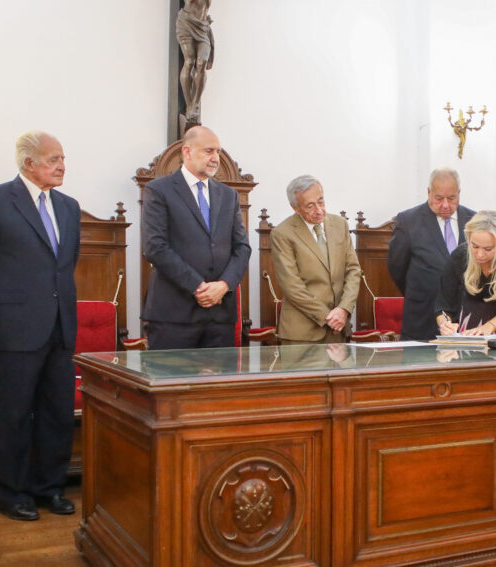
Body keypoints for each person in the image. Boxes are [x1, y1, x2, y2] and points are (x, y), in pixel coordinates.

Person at [0, 131, 81, 521]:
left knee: (57, 414)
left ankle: (49, 487)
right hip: (14, 329)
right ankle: (12, 493)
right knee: (14, 416)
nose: (62, 165)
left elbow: (65, 266)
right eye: (53, 159)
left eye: (63, 158)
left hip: (61, 327)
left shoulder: (68, 206)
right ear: (28, 163)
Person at [141, 125, 250, 349]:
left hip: (220, 316)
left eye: (218, 152)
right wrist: (198, 287)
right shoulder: (159, 190)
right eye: (209, 151)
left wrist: (224, 285)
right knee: (171, 384)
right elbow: (155, 247)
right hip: (174, 316)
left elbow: (242, 248)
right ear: (187, 151)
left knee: (217, 385)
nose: (215, 158)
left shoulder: (228, 196)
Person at [271, 175, 361, 344]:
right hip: (301, 334)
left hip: (338, 331)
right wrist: (328, 317)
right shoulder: (282, 234)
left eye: (321, 202)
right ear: (295, 208)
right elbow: (292, 286)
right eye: (310, 206)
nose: (319, 210)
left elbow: (353, 271)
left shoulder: (340, 224)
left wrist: (343, 309)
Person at [388, 168, 476, 340]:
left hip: (465, 321)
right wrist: (421, 293)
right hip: (422, 318)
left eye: (451, 198)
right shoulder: (408, 221)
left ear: (459, 193)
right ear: (429, 193)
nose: (445, 204)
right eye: (438, 198)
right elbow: (397, 267)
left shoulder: (474, 220)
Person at [435, 210, 496, 336]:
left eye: (488, 249)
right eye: (474, 246)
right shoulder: (460, 256)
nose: (480, 254)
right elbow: (443, 304)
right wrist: (444, 323)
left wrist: (489, 327)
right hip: (470, 328)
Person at [176, 0, 214, 121]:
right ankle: (189, 105)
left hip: (202, 27)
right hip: (186, 24)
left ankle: (195, 104)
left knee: (201, 63)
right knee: (189, 61)